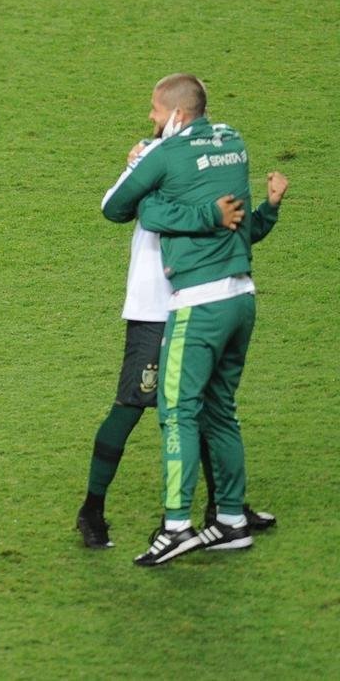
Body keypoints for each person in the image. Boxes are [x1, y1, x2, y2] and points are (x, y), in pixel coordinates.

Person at [102, 73, 284, 566]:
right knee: (220, 409)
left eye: (156, 112)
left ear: (178, 115)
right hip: (242, 298)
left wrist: (148, 181)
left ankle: (178, 525)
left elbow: (115, 207)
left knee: (178, 412)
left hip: (197, 305)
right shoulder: (234, 143)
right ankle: (230, 520)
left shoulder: (165, 154)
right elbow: (231, 213)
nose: (151, 120)